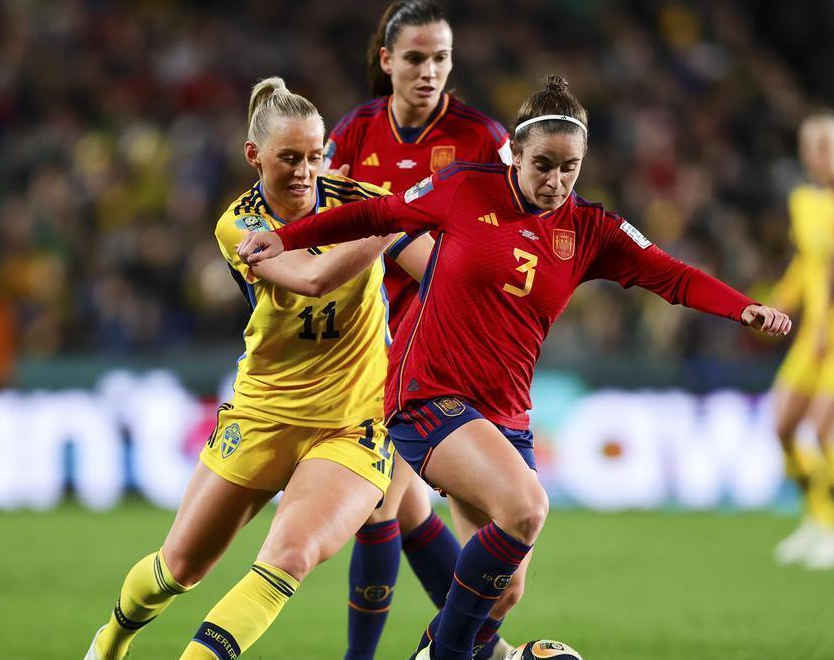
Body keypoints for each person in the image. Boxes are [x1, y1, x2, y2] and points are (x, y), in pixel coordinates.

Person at [238, 75, 791, 660]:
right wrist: (285, 237)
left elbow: (672, 275)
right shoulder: (462, 188)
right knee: (526, 508)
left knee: (503, 594)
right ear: (516, 156)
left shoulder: (591, 230)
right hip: (428, 393)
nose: (555, 182)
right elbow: (377, 215)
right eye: (543, 165)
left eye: (569, 168)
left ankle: (441, 649)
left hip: (505, 413)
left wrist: (744, 307)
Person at [83, 76, 431, 660]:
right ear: (255, 156)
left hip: (354, 424)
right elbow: (311, 278)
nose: (304, 172)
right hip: (264, 412)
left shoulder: (362, 201)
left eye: (315, 157)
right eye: (289, 158)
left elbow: (434, 271)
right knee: (179, 568)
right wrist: (394, 219)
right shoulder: (238, 226)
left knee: (289, 558)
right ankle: (111, 640)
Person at [324, 0, 515, 660]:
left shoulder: (482, 138)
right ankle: (467, 649)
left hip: (451, 348)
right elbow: (321, 224)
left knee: (400, 514)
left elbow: (510, 243)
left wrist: (396, 230)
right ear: (387, 60)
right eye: (414, 58)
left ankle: (465, 645)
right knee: (393, 507)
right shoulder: (353, 133)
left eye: (440, 58)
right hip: (373, 341)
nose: (429, 71)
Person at [767, 112, 834, 570]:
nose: (820, 155)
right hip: (813, 334)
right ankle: (818, 518)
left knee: (825, 430)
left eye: (829, 145)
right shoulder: (803, 200)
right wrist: (777, 301)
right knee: (784, 426)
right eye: (814, 146)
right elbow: (809, 264)